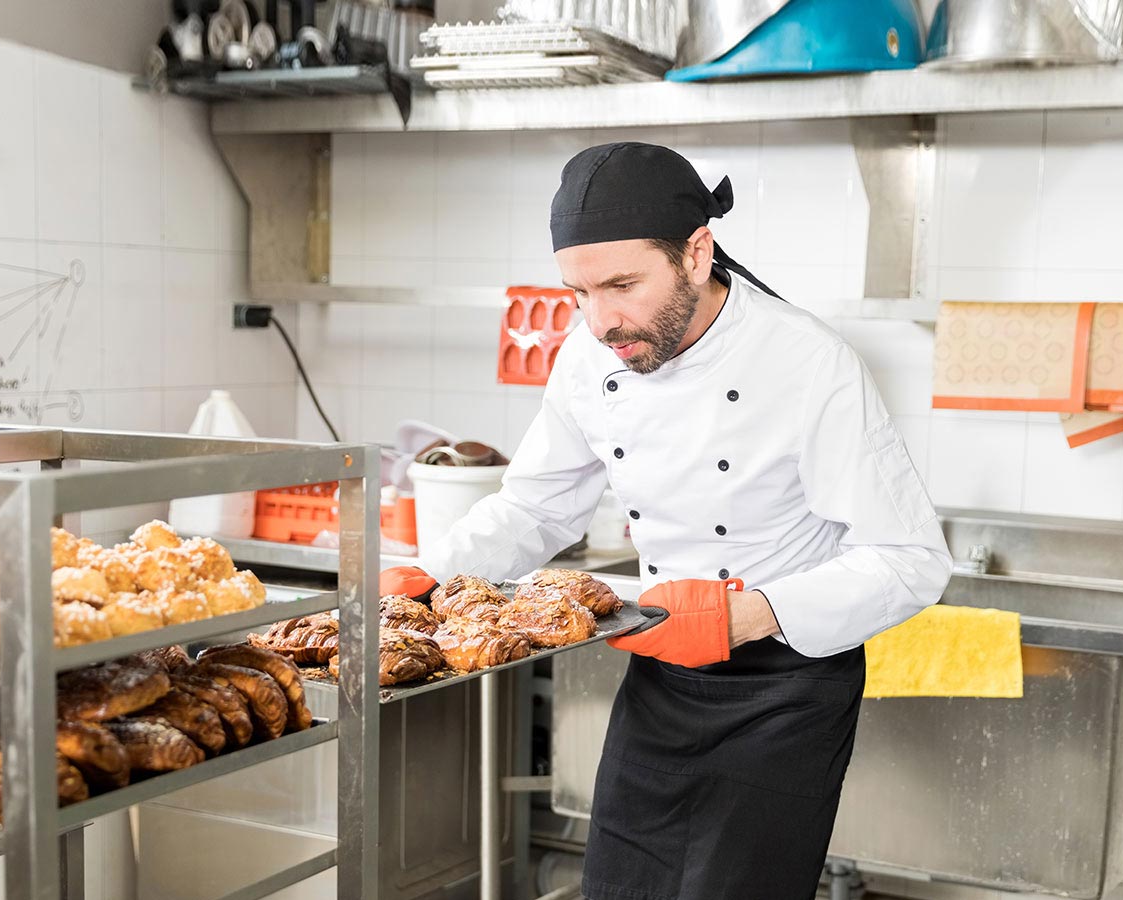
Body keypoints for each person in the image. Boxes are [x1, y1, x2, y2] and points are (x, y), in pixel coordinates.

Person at [381, 142, 952, 900]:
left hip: (786, 693)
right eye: (578, 292)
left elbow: (911, 559)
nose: (600, 320)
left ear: (696, 251)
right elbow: (536, 504)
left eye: (622, 285)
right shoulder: (589, 358)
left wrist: (744, 615)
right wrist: (439, 567)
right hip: (660, 672)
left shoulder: (807, 362)